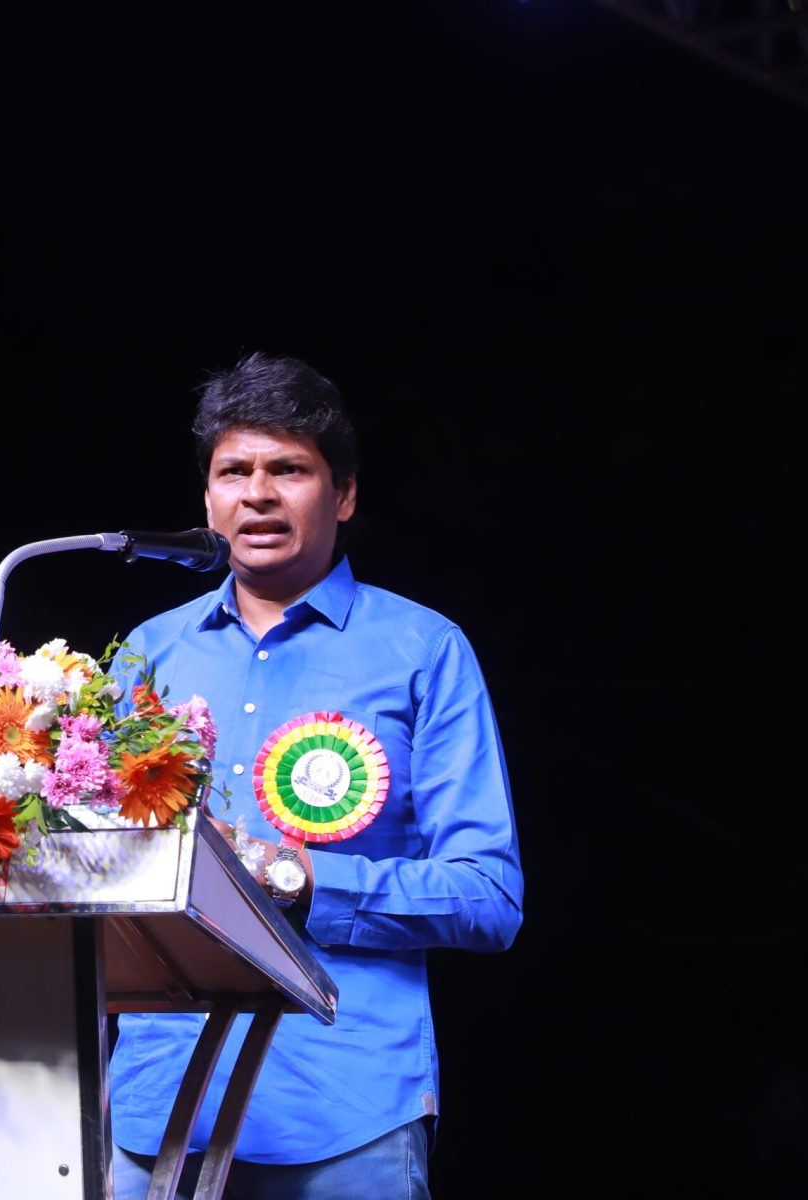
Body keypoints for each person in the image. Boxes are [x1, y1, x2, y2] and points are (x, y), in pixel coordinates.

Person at [107, 351, 524, 1199]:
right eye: (235, 471)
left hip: (345, 1109)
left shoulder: (423, 651)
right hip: (156, 1108)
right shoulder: (148, 654)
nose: (258, 494)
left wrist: (294, 877)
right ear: (208, 500)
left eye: (289, 469)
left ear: (344, 495)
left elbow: (488, 897)